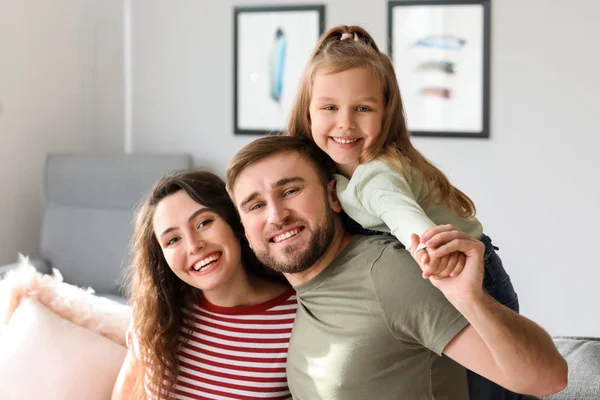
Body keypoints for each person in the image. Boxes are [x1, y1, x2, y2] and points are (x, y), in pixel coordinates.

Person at [226, 135, 567, 399]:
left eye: (290, 190)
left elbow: (548, 378)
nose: (276, 215)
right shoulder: (296, 291)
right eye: (255, 205)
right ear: (244, 229)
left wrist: (471, 300)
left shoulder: (388, 272)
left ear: (334, 196)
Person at [286, 25, 520, 397]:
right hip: (445, 274)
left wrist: (427, 250)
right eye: (329, 107)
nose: (345, 122)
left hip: (473, 274)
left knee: (495, 384)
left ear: (386, 114)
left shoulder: (377, 175)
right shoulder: (329, 172)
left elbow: (403, 217)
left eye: (363, 108)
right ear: (308, 112)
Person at [111, 170, 296, 400]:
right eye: (173, 240)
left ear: (233, 221)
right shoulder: (156, 315)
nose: (193, 245)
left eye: (203, 223)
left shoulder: (296, 317)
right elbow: (126, 395)